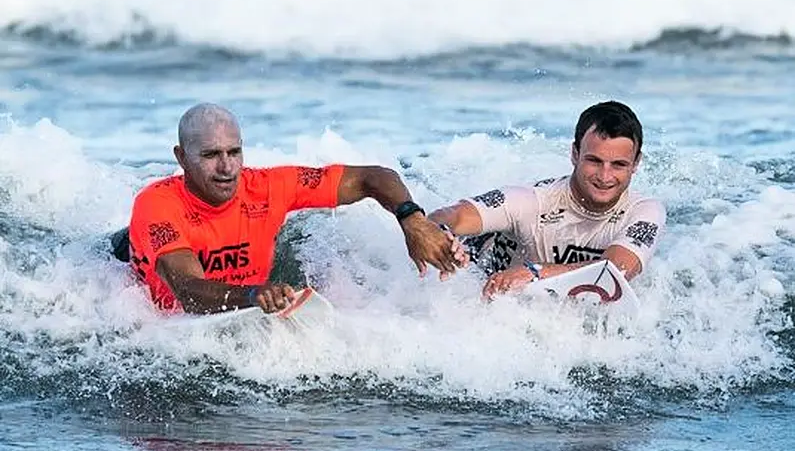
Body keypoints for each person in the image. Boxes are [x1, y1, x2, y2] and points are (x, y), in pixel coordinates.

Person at [120, 103, 459, 314]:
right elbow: (188, 293)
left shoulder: (267, 187)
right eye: (210, 156)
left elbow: (374, 177)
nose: (226, 167)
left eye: (234, 152)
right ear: (181, 157)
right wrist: (253, 295)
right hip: (154, 295)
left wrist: (412, 219)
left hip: (243, 297)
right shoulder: (158, 204)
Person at [428, 100, 666, 299]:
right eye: (594, 161)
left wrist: (535, 272)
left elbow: (615, 272)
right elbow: (452, 215)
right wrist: (438, 234)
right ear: (574, 154)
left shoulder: (644, 211)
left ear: (635, 164)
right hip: (490, 283)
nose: (605, 176)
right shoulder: (533, 200)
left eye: (619, 165)